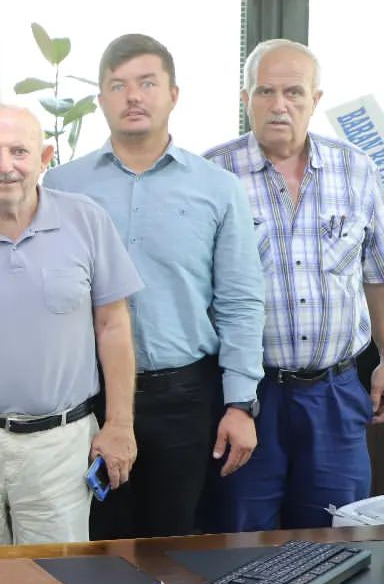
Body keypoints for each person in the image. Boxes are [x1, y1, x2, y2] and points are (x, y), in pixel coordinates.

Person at [44, 34, 264, 540]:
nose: (133, 97)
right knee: (89, 547)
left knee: (176, 548)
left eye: (147, 83)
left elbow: (240, 300)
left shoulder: (216, 187)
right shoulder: (59, 187)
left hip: (185, 399)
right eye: (118, 86)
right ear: (101, 100)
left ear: (173, 94)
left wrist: (239, 403)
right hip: (86, 399)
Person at [0, 105, 142, 548]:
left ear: (45, 157)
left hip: (61, 444)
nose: (5, 166)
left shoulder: (87, 220)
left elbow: (113, 327)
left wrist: (119, 425)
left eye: (19, 151)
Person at [203, 39, 384, 531]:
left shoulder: (357, 170)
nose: (278, 104)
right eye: (265, 91)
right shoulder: (211, 174)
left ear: (315, 99)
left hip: (336, 393)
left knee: (340, 539)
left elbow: (376, 275)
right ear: (245, 99)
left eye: (293, 92)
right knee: (240, 540)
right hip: (249, 395)